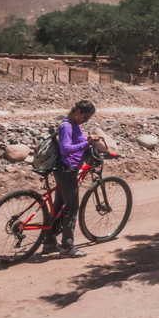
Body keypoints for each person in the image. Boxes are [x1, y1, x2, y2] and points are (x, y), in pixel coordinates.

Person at [43, 99, 103, 257]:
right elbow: (65, 149)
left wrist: (89, 142)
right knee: (72, 207)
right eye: (85, 117)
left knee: (59, 206)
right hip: (67, 170)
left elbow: (78, 143)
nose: (86, 120)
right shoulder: (66, 126)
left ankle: (49, 243)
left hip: (68, 170)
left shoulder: (75, 125)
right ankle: (67, 247)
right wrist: (87, 142)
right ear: (77, 113)